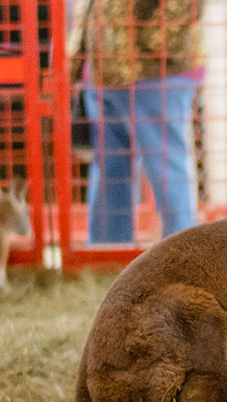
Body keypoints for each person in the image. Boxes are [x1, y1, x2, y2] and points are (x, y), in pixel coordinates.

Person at [69, 0, 202, 244]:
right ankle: (108, 255)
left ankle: (185, 258)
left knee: (166, 171)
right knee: (111, 172)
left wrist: (156, 43)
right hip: (103, 72)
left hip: (155, 71)